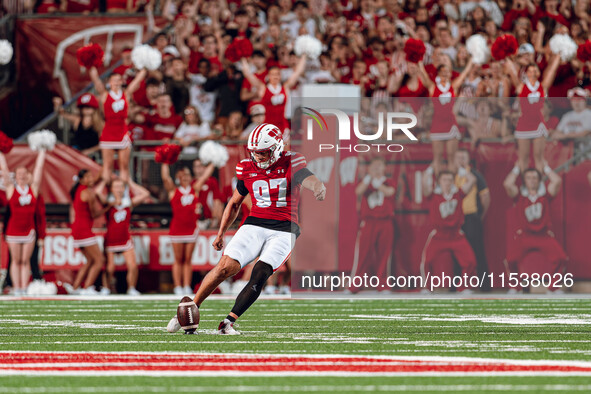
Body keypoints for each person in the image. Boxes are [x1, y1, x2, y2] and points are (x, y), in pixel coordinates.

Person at [167, 123, 326, 334]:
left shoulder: (292, 162)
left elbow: (310, 179)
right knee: (225, 267)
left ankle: (228, 322)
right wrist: (221, 233)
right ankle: (189, 309)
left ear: (277, 148)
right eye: (255, 153)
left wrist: (318, 187)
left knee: (260, 272)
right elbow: (234, 203)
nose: (258, 157)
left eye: (263, 153)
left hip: (284, 229)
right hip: (255, 224)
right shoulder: (246, 167)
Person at [503, 162, 568, 293]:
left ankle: (553, 288)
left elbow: (556, 180)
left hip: (543, 235)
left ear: (539, 180)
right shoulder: (521, 196)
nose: (532, 181)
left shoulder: (544, 195)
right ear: (524, 180)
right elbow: (507, 184)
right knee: (511, 259)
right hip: (525, 235)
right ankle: (515, 287)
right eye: (528, 178)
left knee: (560, 257)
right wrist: (516, 168)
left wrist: (545, 167)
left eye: (534, 178)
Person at [161, 160, 215, 296]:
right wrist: (165, 161)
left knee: (188, 259)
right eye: (182, 175)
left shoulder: (194, 189)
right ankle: (177, 286)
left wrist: (213, 160)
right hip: (177, 230)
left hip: (191, 229)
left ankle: (186, 286)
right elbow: (165, 178)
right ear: (178, 177)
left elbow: (204, 177)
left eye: (187, 175)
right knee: (178, 259)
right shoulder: (174, 191)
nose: (185, 177)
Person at [420, 167, 478, 293]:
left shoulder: (458, 193)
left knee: (470, 260)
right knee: (427, 260)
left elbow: (472, 180)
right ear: (439, 181)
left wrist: (464, 172)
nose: (447, 182)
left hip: (456, 234)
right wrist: (428, 172)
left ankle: (464, 287)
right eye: (444, 180)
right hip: (439, 235)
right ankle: (427, 287)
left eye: (450, 179)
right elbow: (424, 185)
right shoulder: (434, 195)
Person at [89, 66, 147, 183]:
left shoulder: (126, 94)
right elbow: (95, 79)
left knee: (124, 166)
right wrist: (90, 64)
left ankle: (124, 194)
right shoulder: (105, 95)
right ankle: (108, 193)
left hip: (122, 131)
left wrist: (145, 66)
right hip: (109, 131)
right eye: (113, 80)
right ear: (109, 82)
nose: (116, 83)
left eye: (118, 80)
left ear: (122, 81)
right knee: (107, 166)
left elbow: (137, 81)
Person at [0, 150, 47, 296]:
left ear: (27, 175)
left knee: (25, 260)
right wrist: (1, 154)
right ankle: (17, 288)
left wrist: (42, 151)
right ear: (16, 175)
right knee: (15, 260)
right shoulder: (11, 189)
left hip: (29, 230)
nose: (21, 175)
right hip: (13, 230)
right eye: (19, 173)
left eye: (24, 173)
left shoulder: (33, 189)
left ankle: (24, 288)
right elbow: (5, 172)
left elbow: (39, 170)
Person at [505, 54, 561, 173]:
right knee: (523, 159)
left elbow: (552, 70)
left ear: (539, 74)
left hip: (538, 123)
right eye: (530, 71)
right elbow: (512, 73)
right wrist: (506, 57)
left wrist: (558, 55)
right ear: (526, 74)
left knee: (539, 158)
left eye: (535, 71)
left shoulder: (543, 87)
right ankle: (525, 187)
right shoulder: (521, 88)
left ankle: (538, 188)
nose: (532, 73)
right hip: (524, 123)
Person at [419, 58, 475, 174]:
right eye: (443, 71)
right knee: (438, 158)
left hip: (451, 123)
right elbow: (424, 75)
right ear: (438, 74)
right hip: (437, 124)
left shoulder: (453, 87)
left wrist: (471, 61)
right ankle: (440, 185)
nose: (445, 74)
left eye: (448, 71)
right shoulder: (433, 88)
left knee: (451, 158)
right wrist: (418, 61)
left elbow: (464, 74)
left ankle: (452, 187)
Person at [350, 156, 396, 293]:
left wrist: (378, 184)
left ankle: (383, 284)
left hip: (385, 222)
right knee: (363, 254)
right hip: (369, 222)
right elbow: (357, 191)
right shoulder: (366, 182)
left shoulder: (389, 182)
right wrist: (369, 179)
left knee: (384, 255)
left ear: (384, 168)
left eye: (379, 165)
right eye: (374, 165)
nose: (376, 168)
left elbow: (389, 192)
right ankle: (356, 285)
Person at [98, 178, 150, 295]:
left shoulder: (128, 203)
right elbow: (97, 192)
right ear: (111, 189)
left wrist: (131, 182)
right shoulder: (108, 203)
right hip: (111, 239)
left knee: (132, 266)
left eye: (121, 186)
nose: (119, 189)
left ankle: (131, 288)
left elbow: (145, 194)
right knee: (110, 268)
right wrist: (104, 181)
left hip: (125, 238)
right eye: (116, 187)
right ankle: (106, 288)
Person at [240, 55, 307, 141]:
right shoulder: (263, 88)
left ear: (280, 76)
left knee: (285, 152)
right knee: (269, 153)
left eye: (277, 74)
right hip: (268, 128)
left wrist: (304, 54)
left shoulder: (285, 88)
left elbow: (298, 72)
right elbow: (248, 74)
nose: (275, 76)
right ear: (268, 76)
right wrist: (242, 57)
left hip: (283, 126)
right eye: (272, 74)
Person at [64, 170, 110, 295]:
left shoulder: (79, 189)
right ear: (82, 180)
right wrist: (109, 207)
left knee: (90, 260)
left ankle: (75, 287)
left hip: (77, 229)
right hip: (84, 230)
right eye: (88, 177)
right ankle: (87, 288)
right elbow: (94, 214)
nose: (91, 179)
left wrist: (102, 173)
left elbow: (95, 180)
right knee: (100, 260)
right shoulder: (87, 193)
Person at [454, 148, 491, 290]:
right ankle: (457, 286)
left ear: (469, 160)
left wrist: (479, 215)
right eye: (458, 157)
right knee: (457, 253)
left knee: (477, 251)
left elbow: (486, 197)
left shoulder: (474, 175)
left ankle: (484, 286)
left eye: (463, 157)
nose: (461, 160)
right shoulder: (451, 175)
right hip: (456, 220)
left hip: (471, 217)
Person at [192, 159, 223, 230]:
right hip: (196, 221)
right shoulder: (192, 183)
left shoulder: (212, 181)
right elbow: (196, 187)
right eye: (196, 166)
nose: (198, 168)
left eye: (200, 166)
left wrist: (215, 219)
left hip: (210, 219)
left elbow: (217, 201)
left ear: (205, 167)